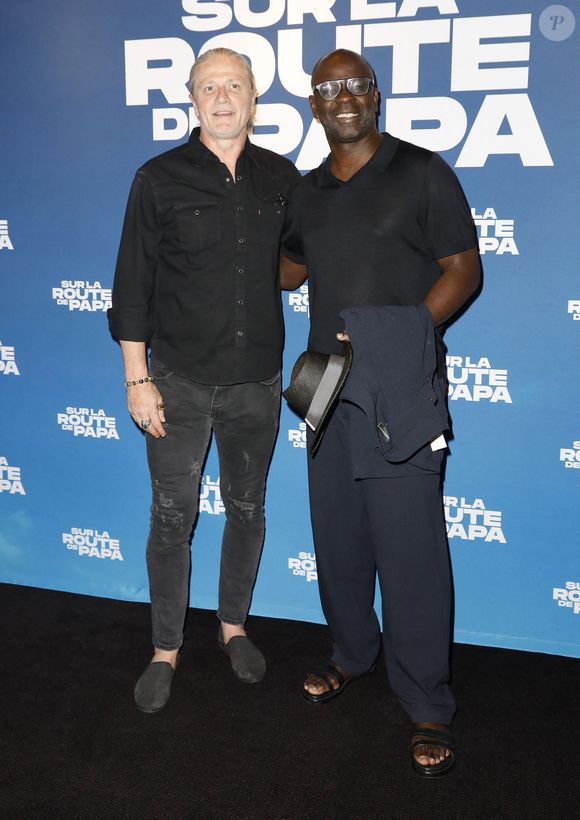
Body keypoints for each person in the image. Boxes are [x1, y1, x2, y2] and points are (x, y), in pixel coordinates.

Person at [280, 49, 480, 776]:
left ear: (375, 95)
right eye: (327, 88)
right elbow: (290, 268)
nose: (342, 98)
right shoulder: (303, 193)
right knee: (337, 539)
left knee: (412, 552)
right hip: (322, 385)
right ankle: (351, 654)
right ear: (313, 103)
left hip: (399, 384)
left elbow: (465, 269)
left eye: (355, 86)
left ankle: (427, 700)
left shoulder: (422, 172)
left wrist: (396, 335)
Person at [108, 48, 301, 714]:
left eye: (234, 85)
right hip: (179, 380)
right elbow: (132, 284)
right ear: (192, 99)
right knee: (172, 517)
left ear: (255, 97)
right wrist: (138, 378)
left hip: (257, 382)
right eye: (208, 87)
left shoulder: (282, 178)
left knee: (248, 510)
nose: (222, 97)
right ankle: (165, 647)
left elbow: (306, 260)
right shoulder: (157, 178)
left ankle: (233, 626)